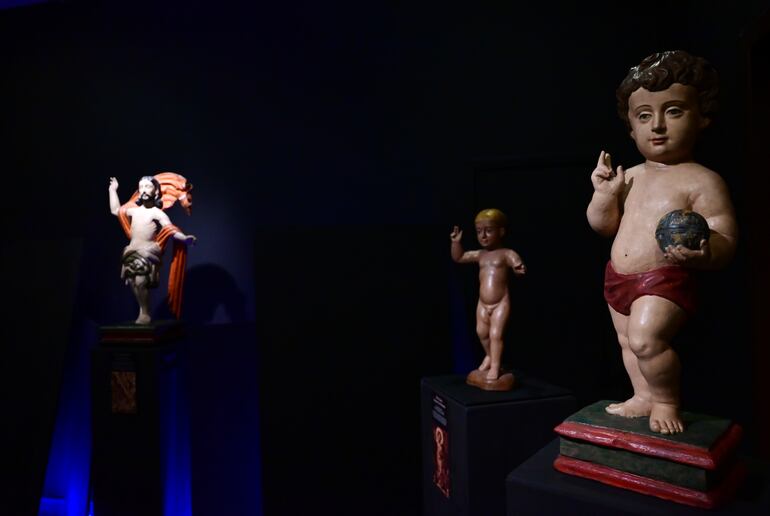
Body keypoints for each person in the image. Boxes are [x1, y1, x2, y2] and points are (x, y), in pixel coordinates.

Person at [587, 51, 738, 434]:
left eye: (673, 111)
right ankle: (643, 396)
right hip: (618, 277)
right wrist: (604, 196)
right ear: (631, 128)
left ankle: (667, 401)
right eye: (643, 116)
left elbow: (724, 235)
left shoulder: (702, 180)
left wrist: (706, 252)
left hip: (664, 278)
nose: (657, 125)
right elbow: (603, 226)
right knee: (627, 342)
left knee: (646, 340)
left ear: (701, 116)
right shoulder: (630, 176)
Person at [450, 209, 526, 385]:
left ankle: (495, 366)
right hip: (482, 303)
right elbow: (459, 257)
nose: (483, 236)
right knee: (481, 332)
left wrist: (519, 268)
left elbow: (517, 264)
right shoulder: (480, 255)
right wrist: (455, 242)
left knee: (495, 334)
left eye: (488, 230)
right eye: (479, 231)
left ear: (501, 231)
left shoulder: (506, 253)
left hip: (500, 302)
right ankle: (490, 357)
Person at [109, 175, 197, 324]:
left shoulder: (157, 213)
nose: (143, 190)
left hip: (147, 252)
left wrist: (184, 238)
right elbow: (116, 210)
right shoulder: (133, 211)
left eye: (147, 186)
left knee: (141, 282)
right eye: (141, 187)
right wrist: (112, 190)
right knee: (133, 283)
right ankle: (143, 310)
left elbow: (170, 229)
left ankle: (145, 313)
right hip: (132, 251)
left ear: (156, 191)